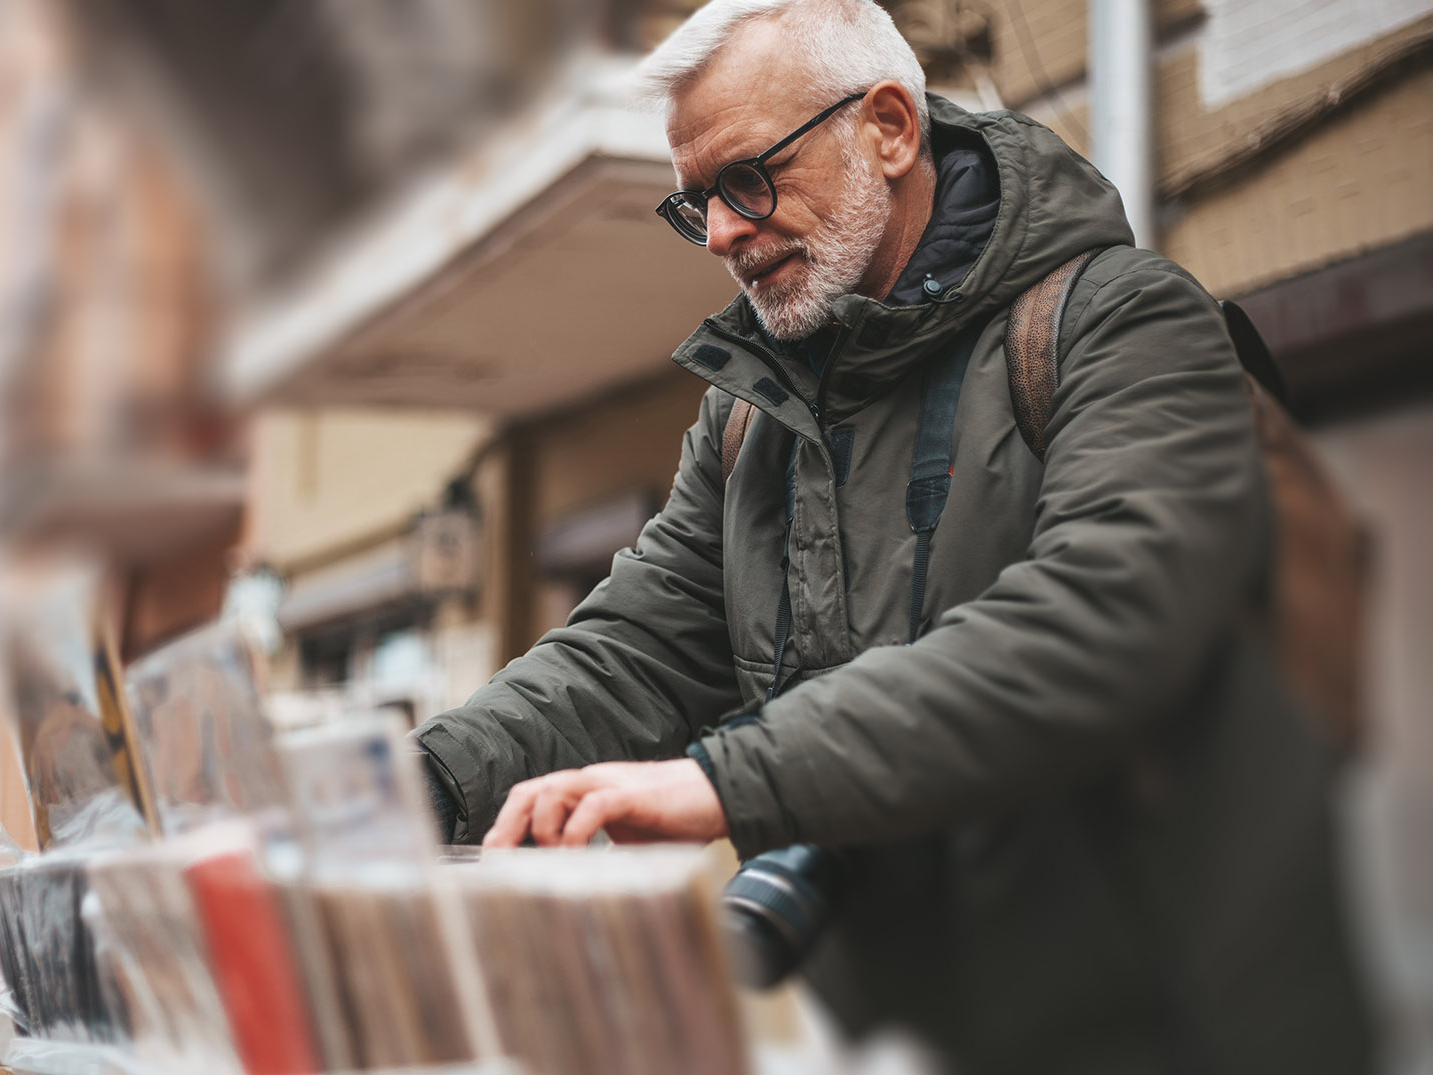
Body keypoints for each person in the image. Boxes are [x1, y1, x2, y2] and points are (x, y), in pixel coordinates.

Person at [415, 1, 1375, 1071]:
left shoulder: (1127, 323)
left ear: (887, 128)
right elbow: (631, 652)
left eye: (748, 178)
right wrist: (421, 783)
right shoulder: (748, 418)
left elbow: (1101, 621)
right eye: (697, 203)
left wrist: (727, 779)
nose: (722, 232)